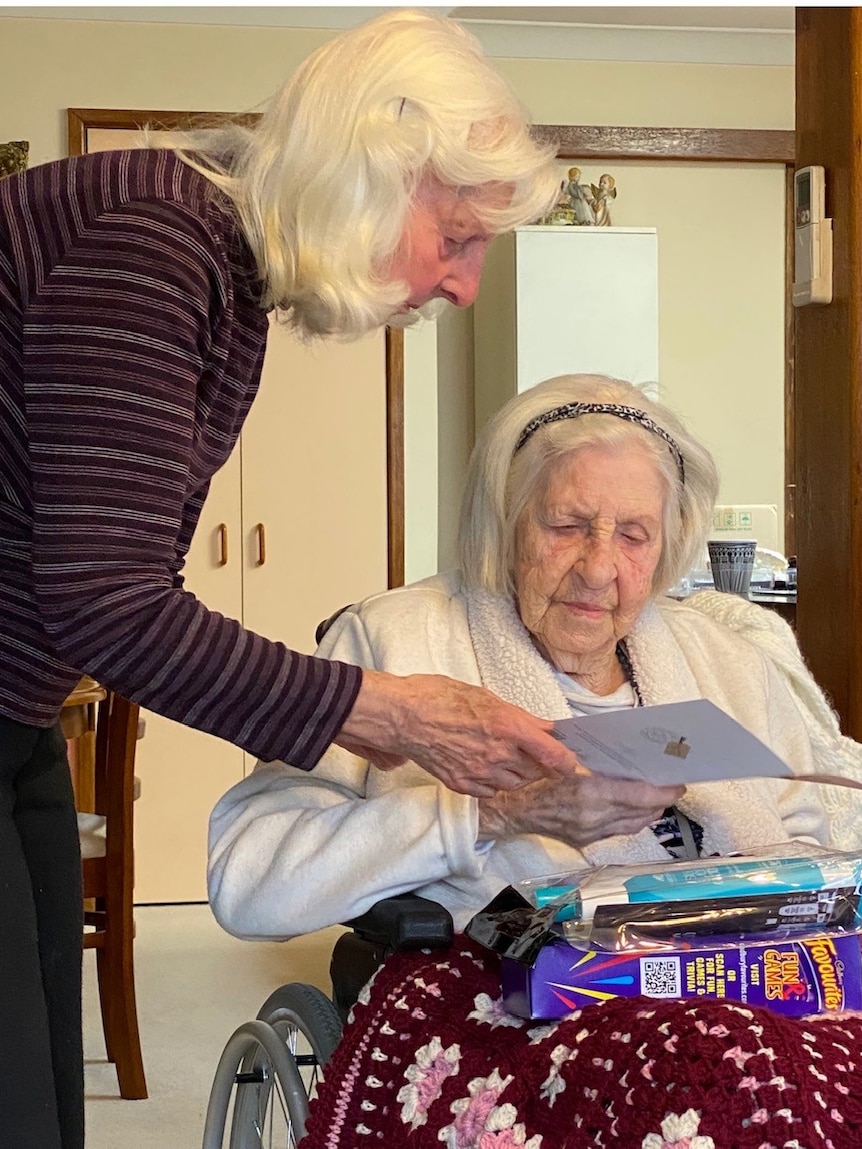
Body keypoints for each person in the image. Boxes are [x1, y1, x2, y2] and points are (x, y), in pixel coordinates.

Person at [0, 11, 573, 1148]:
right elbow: (108, 599)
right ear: (369, 170)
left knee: (38, 1099)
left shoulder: (221, 274)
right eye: (456, 238)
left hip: (19, 717)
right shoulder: (151, 240)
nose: (462, 287)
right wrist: (388, 713)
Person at [209, 372, 862, 944]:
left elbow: (807, 851)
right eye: (566, 526)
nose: (599, 566)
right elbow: (248, 878)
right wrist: (490, 815)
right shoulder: (397, 642)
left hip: (732, 985)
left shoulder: (729, 662)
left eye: (634, 536)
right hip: (514, 1000)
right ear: (506, 523)